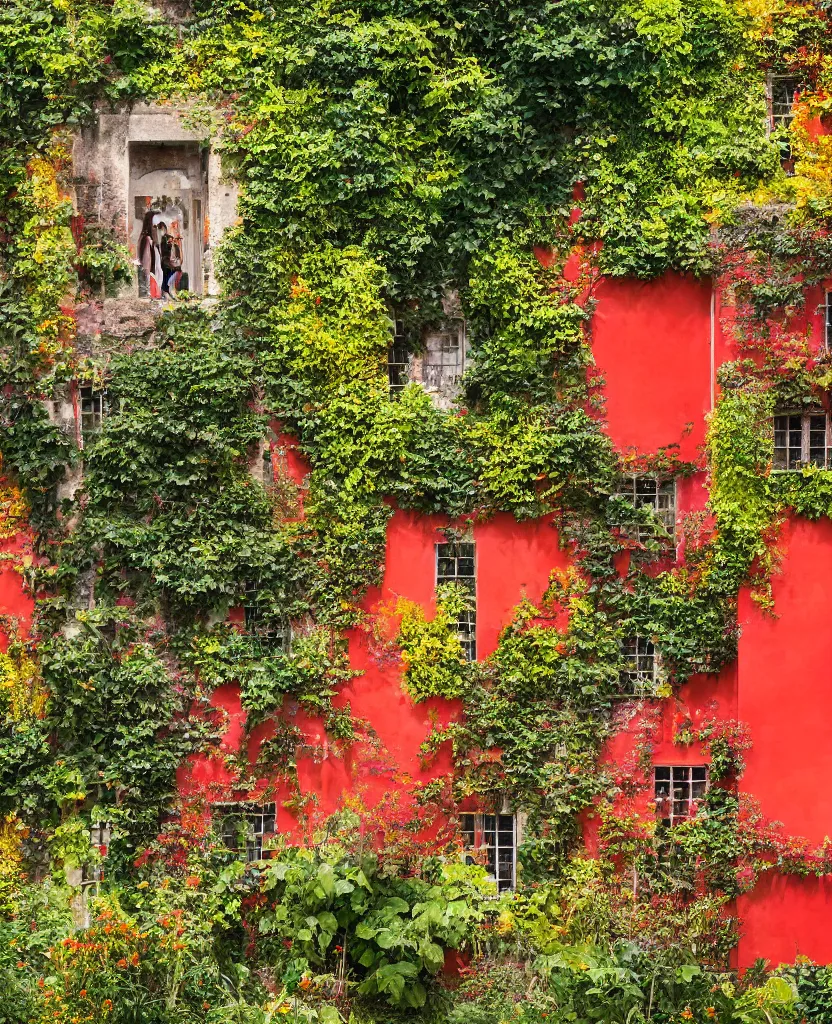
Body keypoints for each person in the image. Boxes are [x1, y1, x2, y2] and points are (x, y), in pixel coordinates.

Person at [137, 211, 164, 299]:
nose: (157, 230)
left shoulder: (154, 243)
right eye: (155, 227)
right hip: (152, 283)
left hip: (156, 283)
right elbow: (146, 266)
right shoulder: (147, 240)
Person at [161, 225, 183, 298]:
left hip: (174, 267)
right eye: (169, 242)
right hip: (167, 267)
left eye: (172, 241)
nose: (171, 243)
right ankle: (166, 292)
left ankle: (170, 292)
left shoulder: (175, 247)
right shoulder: (164, 249)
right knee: (167, 281)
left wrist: (180, 247)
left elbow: (180, 259)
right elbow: (165, 260)